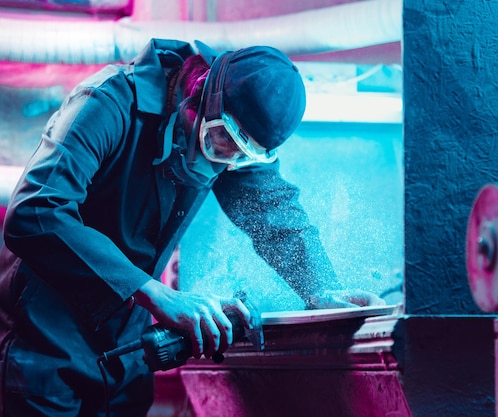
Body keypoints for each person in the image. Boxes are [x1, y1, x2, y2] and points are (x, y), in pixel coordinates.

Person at [0, 38, 385, 416]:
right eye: (221, 142)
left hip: (123, 356)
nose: (220, 162)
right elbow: (35, 212)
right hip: (41, 345)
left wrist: (321, 288)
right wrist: (158, 295)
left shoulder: (234, 142)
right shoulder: (108, 102)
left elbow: (274, 215)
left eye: (237, 159)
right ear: (199, 92)